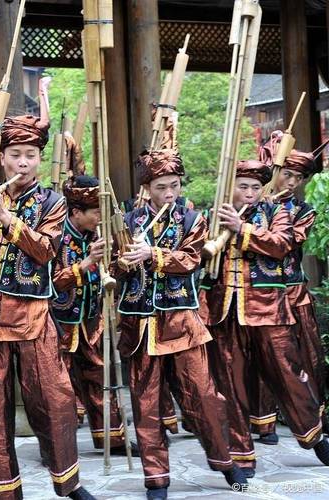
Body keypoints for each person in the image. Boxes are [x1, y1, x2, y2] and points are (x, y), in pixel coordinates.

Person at [0, 113, 94, 500]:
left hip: (32, 315)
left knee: (53, 399)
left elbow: (46, 251)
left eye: (30, 155)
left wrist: (4, 214)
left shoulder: (53, 201)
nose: (22, 163)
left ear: (38, 158)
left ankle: (68, 481)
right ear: (2, 158)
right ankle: (1, 490)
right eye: (15, 154)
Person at [115, 149, 246, 500]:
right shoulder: (127, 221)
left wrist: (152, 255)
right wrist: (120, 261)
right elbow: (115, 270)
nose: (169, 193)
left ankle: (225, 461)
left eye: (174, 185)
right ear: (147, 188)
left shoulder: (192, 219)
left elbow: (190, 259)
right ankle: (156, 479)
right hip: (141, 325)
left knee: (204, 397)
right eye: (161, 187)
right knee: (146, 404)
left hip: (182, 323)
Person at [199, 158, 329, 476]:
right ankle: (241, 456)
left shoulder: (274, 212)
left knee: (289, 375)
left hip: (268, 309)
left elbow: (282, 244)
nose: (249, 193)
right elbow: (197, 256)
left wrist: (241, 229)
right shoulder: (210, 215)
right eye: (242, 186)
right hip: (224, 312)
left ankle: (315, 436)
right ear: (229, 187)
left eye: (256, 187)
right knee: (230, 382)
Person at [247, 133, 329, 443]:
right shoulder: (253, 206)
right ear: (276, 171)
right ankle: (264, 422)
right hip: (262, 294)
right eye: (287, 174)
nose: (292, 182)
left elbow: (288, 244)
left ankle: (314, 420)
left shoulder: (303, 210)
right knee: (265, 356)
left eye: (299, 177)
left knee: (306, 355)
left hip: (293, 291)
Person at [51, 174, 138, 456]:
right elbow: (48, 282)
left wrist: (120, 265)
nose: (101, 218)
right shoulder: (54, 234)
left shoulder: (98, 235)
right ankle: (57, 447)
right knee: (57, 387)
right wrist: (86, 264)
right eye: (95, 212)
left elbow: (111, 273)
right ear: (76, 212)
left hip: (90, 318)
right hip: (59, 321)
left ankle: (111, 438)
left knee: (101, 377)